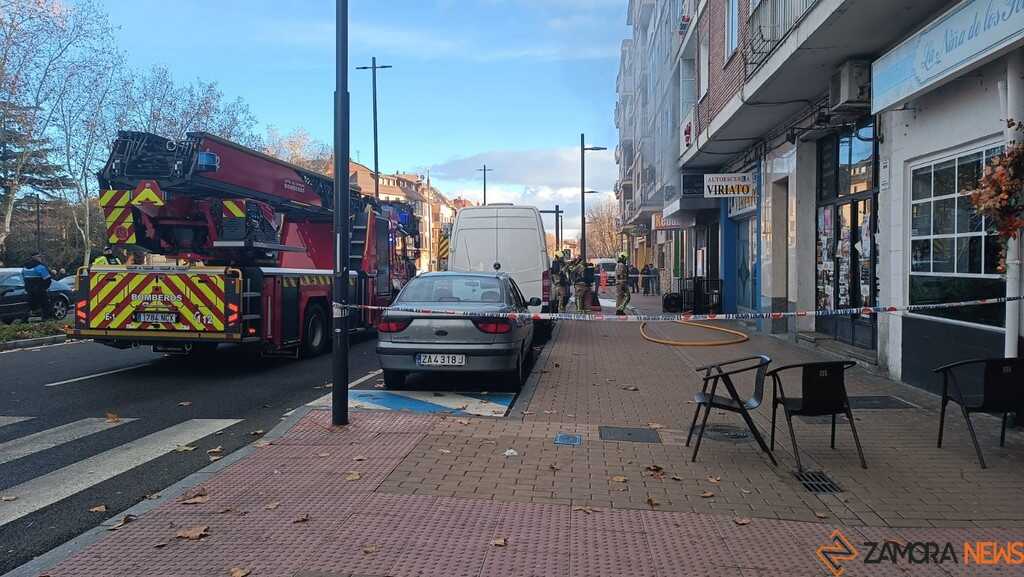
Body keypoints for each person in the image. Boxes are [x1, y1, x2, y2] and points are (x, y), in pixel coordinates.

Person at [21, 253, 52, 319]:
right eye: (39, 257)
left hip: (29, 290)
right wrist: (45, 287)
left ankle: (25, 319)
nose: (40, 258)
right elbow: (47, 279)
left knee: (30, 305)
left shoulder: (25, 268)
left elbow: (23, 278)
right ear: (36, 258)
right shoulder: (40, 267)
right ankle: (46, 319)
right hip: (40, 290)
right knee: (45, 304)